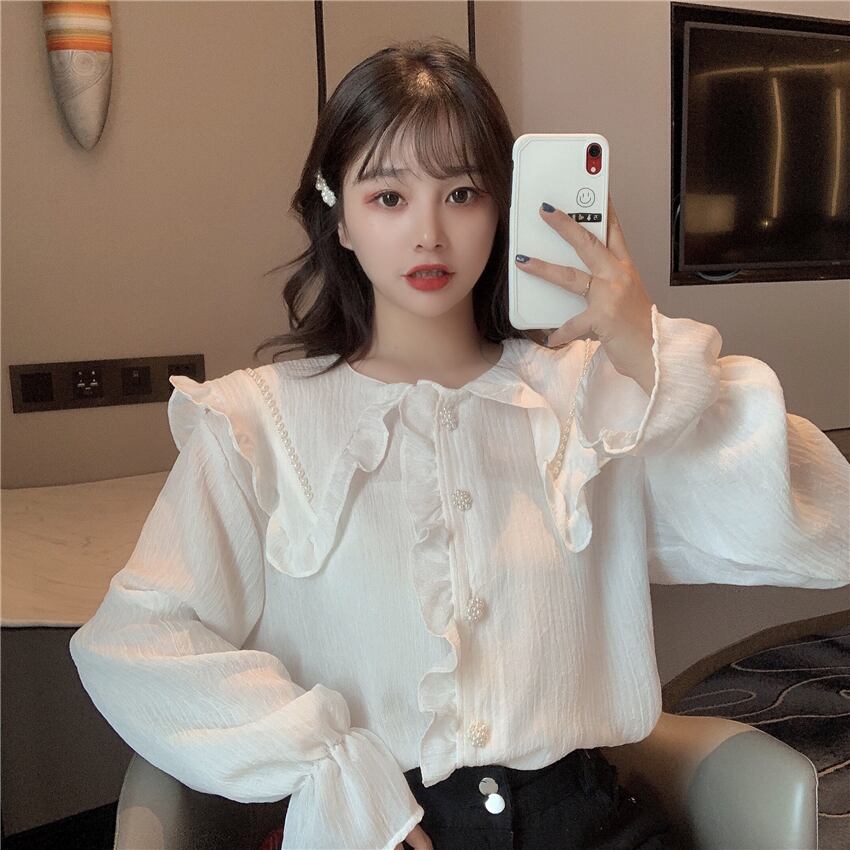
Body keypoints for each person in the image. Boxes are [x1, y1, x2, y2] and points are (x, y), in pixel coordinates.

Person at [69, 37, 849, 850]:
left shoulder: (588, 399)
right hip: (380, 825)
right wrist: (327, 764)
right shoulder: (255, 424)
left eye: (462, 192)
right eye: (388, 196)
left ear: (501, 209)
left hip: (587, 819)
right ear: (339, 217)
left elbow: (821, 525)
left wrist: (646, 356)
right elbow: (135, 639)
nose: (429, 234)